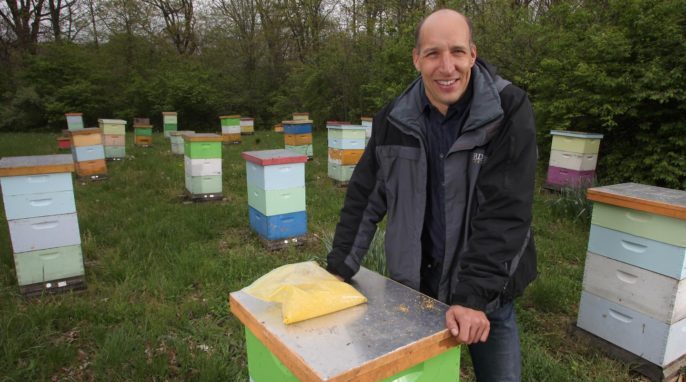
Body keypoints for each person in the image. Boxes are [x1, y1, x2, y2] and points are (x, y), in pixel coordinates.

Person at [326, 8, 538, 382]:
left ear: (473, 53)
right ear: (416, 59)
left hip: (486, 293)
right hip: (416, 289)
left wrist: (473, 299)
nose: (446, 67)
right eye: (433, 53)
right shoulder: (393, 119)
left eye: (457, 52)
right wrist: (339, 268)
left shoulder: (508, 110)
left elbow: (506, 210)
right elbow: (364, 197)